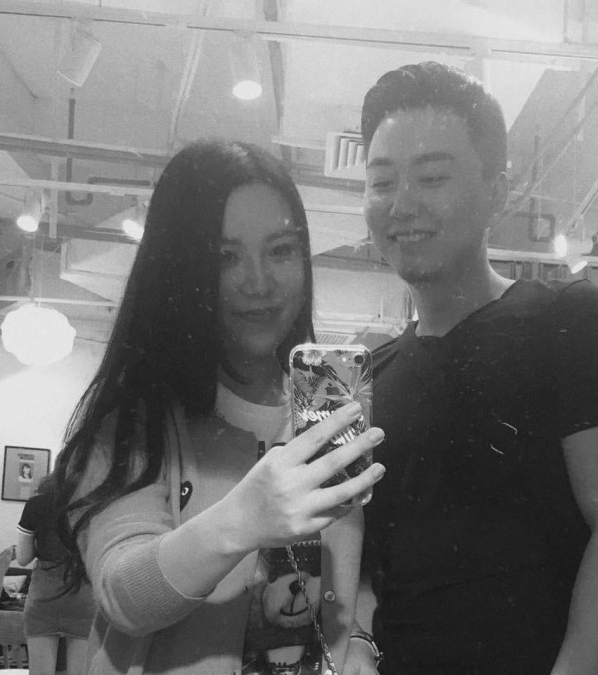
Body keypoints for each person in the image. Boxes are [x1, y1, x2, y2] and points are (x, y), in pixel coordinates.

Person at [346, 62, 598, 675]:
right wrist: (356, 639)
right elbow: (364, 557)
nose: (402, 204)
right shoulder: (371, 376)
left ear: (498, 190)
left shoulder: (572, 320)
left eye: (432, 177)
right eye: (382, 182)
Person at [52, 139, 386, 675]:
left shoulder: (327, 409)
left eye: (281, 250)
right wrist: (240, 522)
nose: (259, 282)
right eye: (224, 257)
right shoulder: (136, 420)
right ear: (179, 269)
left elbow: (355, 567)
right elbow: (124, 594)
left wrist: (361, 642)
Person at [16, 474, 96, 674]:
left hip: (44, 594)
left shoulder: (36, 504)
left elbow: (23, 558)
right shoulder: (94, 503)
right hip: (83, 592)